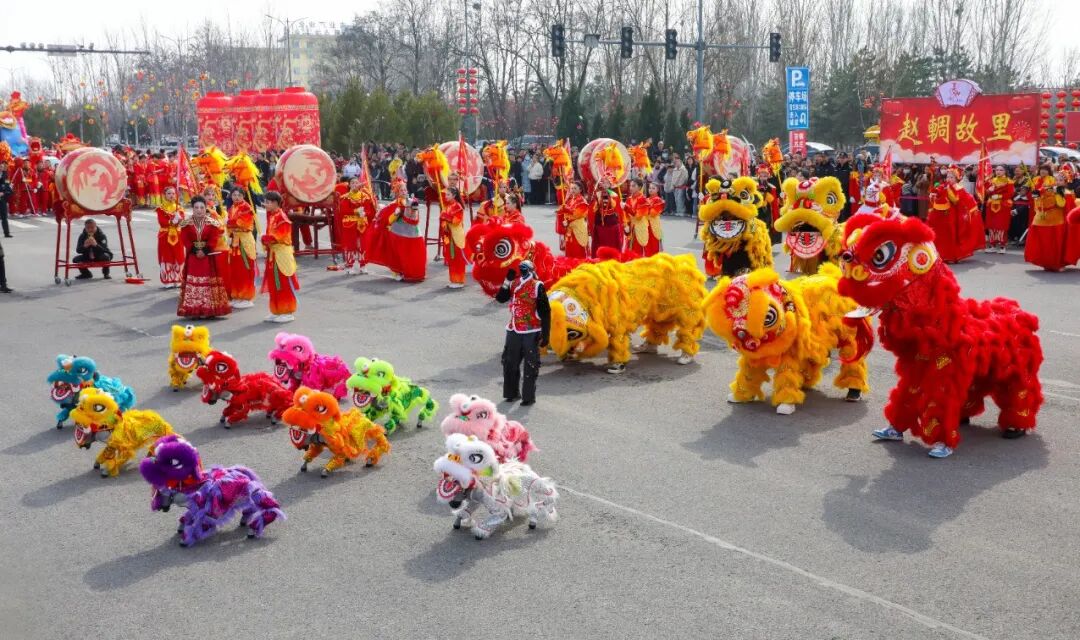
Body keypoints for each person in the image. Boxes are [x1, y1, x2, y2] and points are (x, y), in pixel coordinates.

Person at [495, 260, 550, 406]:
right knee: (509, 362)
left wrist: (546, 334)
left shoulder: (538, 285)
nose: (522, 269)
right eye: (521, 268)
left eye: (525, 268)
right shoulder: (514, 282)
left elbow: (545, 312)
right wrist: (507, 280)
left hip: (531, 330)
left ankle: (528, 397)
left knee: (530, 365)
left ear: (531, 270)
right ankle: (511, 393)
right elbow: (500, 298)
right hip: (513, 329)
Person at [176, 196, 230, 319]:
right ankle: (194, 309)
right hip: (193, 257)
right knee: (194, 282)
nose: (199, 210)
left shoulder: (212, 223)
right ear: (192, 209)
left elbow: (214, 238)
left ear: (205, 208)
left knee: (207, 283)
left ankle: (209, 309)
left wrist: (205, 250)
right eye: (196, 207)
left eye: (201, 207)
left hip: (208, 257)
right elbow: (185, 239)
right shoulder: (186, 224)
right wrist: (195, 250)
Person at [366, 178, 427, 282]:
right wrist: (396, 213)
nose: (404, 192)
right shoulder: (394, 204)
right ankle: (398, 271)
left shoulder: (412, 201)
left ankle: (414, 273)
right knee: (400, 255)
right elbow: (388, 220)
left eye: (405, 190)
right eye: (401, 190)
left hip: (413, 232)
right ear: (397, 192)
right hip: (399, 233)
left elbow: (415, 217)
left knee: (415, 253)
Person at [927, 165, 985, 263]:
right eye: (948, 177)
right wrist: (933, 195)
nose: (949, 179)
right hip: (942, 216)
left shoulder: (959, 188)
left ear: (957, 178)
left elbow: (957, 200)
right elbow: (937, 196)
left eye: (952, 177)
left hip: (953, 216)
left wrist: (948, 191)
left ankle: (951, 256)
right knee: (942, 236)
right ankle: (941, 255)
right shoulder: (943, 186)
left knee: (951, 235)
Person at [1024, 164, 1075, 271]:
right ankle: (1046, 262)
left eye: (1061, 180)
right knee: (1044, 243)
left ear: (1066, 182)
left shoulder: (1067, 193)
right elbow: (1036, 199)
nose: (1057, 181)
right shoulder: (1047, 189)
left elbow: (1067, 209)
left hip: (1058, 221)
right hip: (1043, 219)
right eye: (1056, 179)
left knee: (1056, 244)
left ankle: (1058, 263)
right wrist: (1035, 194)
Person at [261, 192, 299, 322]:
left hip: (281, 254)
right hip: (273, 253)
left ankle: (287, 311)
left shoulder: (282, 217)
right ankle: (277, 310)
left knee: (282, 282)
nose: (266, 204)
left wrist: (267, 238)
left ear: (276, 203)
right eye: (265, 202)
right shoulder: (272, 216)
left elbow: (281, 235)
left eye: (268, 202)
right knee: (274, 282)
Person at [226, 189, 258, 308]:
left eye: (239, 195)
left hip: (244, 241)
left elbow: (243, 223)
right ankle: (237, 295)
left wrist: (229, 222)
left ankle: (246, 297)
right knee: (235, 269)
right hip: (234, 241)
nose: (236, 197)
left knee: (245, 268)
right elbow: (230, 225)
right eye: (234, 195)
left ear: (244, 196)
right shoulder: (231, 208)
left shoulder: (247, 208)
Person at [337, 177, 375, 275]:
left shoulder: (365, 196)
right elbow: (343, 211)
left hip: (362, 224)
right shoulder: (345, 197)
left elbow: (369, 210)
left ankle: (363, 265)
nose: (354, 184)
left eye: (356, 182)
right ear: (349, 185)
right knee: (351, 245)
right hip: (350, 225)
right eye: (352, 183)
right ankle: (350, 266)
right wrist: (356, 212)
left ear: (359, 184)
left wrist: (365, 213)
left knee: (362, 244)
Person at [156, 186, 186, 288]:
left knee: (179, 256)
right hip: (165, 235)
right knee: (167, 256)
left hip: (177, 235)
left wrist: (179, 218)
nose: (171, 195)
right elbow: (162, 222)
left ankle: (178, 279)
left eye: (173, 193)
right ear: (165, 195)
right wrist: (171, 221)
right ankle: (167, 279)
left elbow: (183, 222)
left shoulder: (179, 208)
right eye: (169, 193)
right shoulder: (160, 208)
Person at [440, 187, 468, 289]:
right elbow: (444, 221)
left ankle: (459, 280)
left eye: (448, 194)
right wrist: (444, 224)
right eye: (446, 194)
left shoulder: (458, 206)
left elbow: (456, 221)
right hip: (449, 234)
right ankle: (453, 279)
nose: (446, 196)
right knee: (451, 259)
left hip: (456, 235)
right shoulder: (447, 206)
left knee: (458, 259)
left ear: (454, 195)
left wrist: (445, 216)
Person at [984, 165, 1015, 253]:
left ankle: (1002, 246)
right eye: (997, 170)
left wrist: (999, 196)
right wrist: (989, 191)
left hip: (1003, 206)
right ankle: (992, 245)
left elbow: (1010, 194)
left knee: (1001, 225)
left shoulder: (1009, 182)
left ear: (1005, 171)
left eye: (1001, 170)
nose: (998, 171)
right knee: (991, 225)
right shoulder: (991, 181)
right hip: (991, 206)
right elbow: (987, 193)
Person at [591, 184, 625, 256]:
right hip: (599, 222)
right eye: (602, 181)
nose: (603, 183)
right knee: (600, 242)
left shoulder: (614, 195)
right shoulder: (597, 194)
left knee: (611, 242)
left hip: (611, 222)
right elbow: (594, 209)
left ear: (610, 184)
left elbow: (616, 207)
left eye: (606, 182)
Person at [559, 181, 590, 258]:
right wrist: (562, 210)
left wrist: (566, 213)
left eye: (575, 188)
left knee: (578, 251)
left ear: (580, 190)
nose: (572, 190)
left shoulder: (582, 201)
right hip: (569, 230)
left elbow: (577, 214)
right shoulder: (570, 200)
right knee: (570, 251)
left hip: (578, 229)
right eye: (571, 188)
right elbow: (562, 212)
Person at [0, 167, 12, 237]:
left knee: (4, 216)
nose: (1, 168)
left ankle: (7, 233)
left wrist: (4, 193)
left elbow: (8, 187)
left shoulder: (6, 175)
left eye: (1, 167)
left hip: (2, 199)